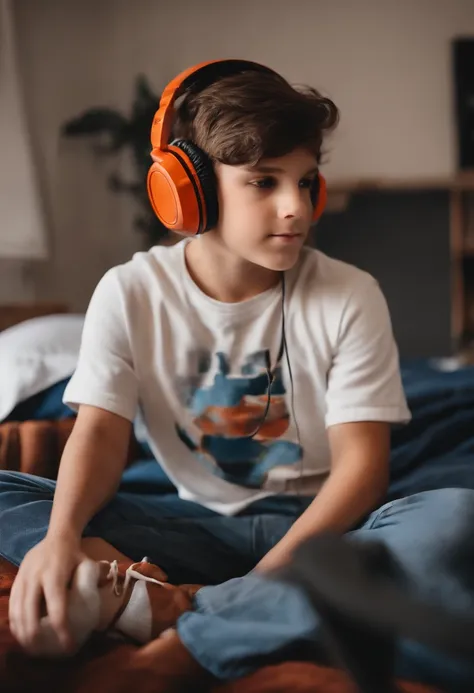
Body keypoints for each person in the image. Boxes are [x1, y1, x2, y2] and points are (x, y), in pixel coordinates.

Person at [2, 60, 472, 682]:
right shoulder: (130, 292)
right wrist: (60, 539)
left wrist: (268, 577)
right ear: (188, 190)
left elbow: (363, 471)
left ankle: (182, 622)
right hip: (182, 519)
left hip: (320, 531)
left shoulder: (350, 294)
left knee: (454, 518)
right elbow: (101, 433)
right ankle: (255, 612)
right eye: (263, 182)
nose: (294, 208)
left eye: (306, 182)